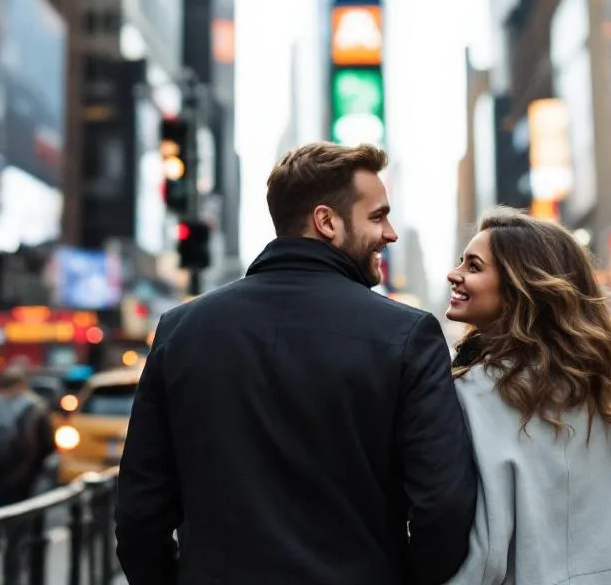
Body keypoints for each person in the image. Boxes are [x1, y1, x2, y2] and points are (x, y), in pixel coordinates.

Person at [116, 142, 478, 585]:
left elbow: (140, 511)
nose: (391, 233)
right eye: (378, 216)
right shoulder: (407, 335)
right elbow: (444, 505)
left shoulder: (180, 330)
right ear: (327, 221)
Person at [444, 209, 611, 585]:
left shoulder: (470, 398)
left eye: (473, 266)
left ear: (518, 290)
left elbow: (483, 552)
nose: (454, 274)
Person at [0, 366, 55, 510]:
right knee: (19, 523)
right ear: (23, 384)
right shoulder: (35, 409)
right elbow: (48, 445)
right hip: (23, 479)